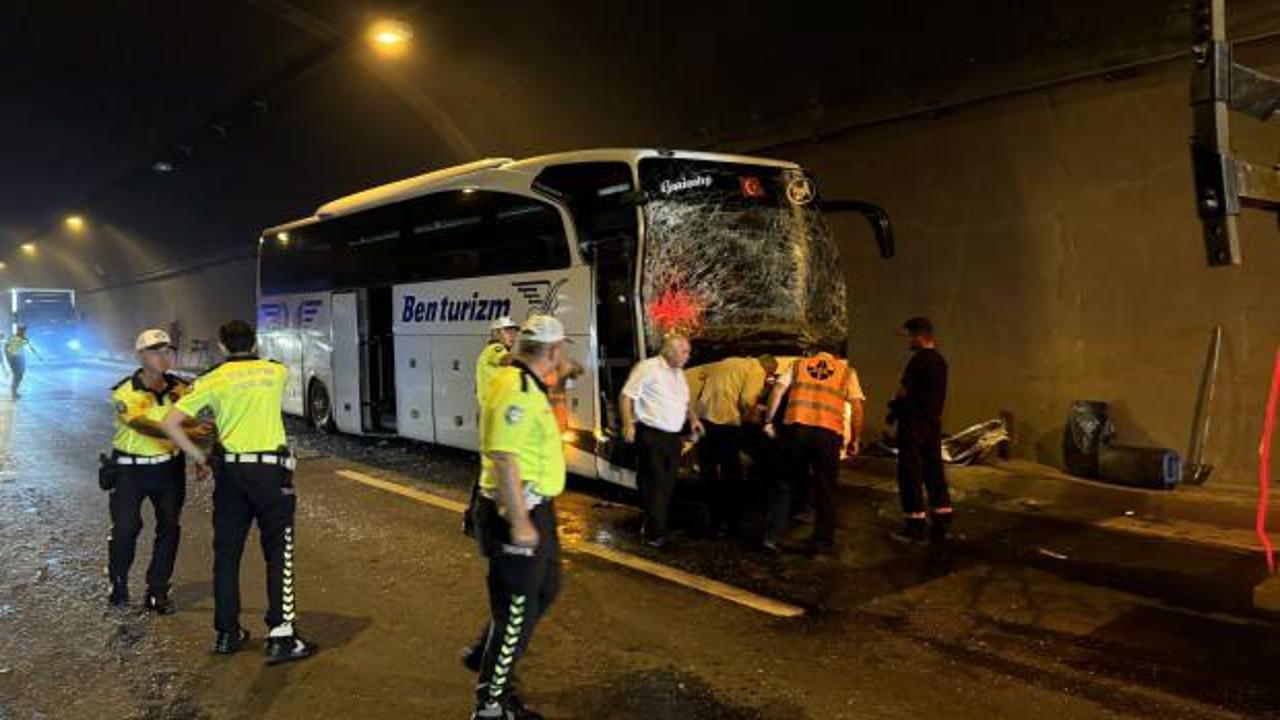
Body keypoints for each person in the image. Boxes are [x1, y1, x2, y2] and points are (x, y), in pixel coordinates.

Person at [160, 320, 313, 664]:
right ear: (255, 343)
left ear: (223, 345)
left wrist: (199, 455)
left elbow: (169, 423)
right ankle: (281, 635)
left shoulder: (211, 379)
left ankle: (227, 633)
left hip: (230, 474)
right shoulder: (275, 371)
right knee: (279, 550)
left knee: (227, 555)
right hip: (271, 472)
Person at [470, 315, 569, 720]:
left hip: (536, 507)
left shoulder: (528, 381)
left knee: (545, 588)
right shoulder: (515, 388)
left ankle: (487, 657)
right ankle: (490, 705)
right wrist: (520, 523)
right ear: (553, 351)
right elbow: (505, 457)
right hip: (516, 511)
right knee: (516, 610)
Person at [105, 329, 211, 612]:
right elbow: (142, 425)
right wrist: (186, 429)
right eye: (155, 352)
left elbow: (204, 423)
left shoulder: (181, 389)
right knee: (127, 529)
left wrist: (201, 455)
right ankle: (118, 579)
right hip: (130, 470)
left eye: (167, 351)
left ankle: (157, 589)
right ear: (140, 356)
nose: (163, 357)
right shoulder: (125, 391)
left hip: (169, 470)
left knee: (169, 528)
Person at [762, 348, 865, 554]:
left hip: (797, 430)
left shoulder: (799, 365)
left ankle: (773, 537)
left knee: (786, 482)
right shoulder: (846, 372)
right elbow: (857, 408)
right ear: (835, 356)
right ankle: (822, 541)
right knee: (826, 487)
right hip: (828, 435)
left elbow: (777, 391)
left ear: (815, 354)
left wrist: (769, 420)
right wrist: (856, 438)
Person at [621, 334, 701, 549]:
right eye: (684, 351)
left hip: (672, 438)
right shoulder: (648, 368)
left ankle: (650, 522)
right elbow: (627, 395)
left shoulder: (679, 374)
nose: (688, 356)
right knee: (654, 483)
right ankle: (656, 533)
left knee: (667, 484)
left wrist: (693, 419)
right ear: (670, 351)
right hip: (651, 435)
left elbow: (685, 402)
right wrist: (628, 423)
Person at [686, 355, 778, 537]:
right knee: (731, 473)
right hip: (726, 422)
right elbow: (746, 399)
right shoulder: (756, 369)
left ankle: (712, 521)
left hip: (704, 419)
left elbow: (704, 375)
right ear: (768, 369)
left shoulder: (727, 362)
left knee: (708, 472)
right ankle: (732, 522)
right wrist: (755, 415)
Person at [888, 317, 953, 544]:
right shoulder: (940, 362)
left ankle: (915, 525)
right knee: (933, 469)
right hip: (932, 424)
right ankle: (943, 515)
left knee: (910, 473)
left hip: (913, 423)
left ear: (919, 335)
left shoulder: (918, 361)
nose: (908, 341)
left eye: (909, 336)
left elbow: (903, 391)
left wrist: (894, 408)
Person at [476, 317, 520, 404]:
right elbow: (507, 359)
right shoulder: (495, 348)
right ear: (496, 333)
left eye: (514, 332)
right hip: (495, 404)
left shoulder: (493, 350)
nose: (512, 335)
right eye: (507, 331)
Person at [5, 325, 41, 398]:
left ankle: (15, 392)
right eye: (22, 330)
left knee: (20, 375)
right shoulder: (12, 338)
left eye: (24, 331)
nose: (23, 332)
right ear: (18, 330)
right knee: (17, 375)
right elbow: (6, 347)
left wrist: (37, 355)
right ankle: (14, 393)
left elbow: (30, 347)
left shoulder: (24, 338)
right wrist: (9, 357)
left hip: (20, 359)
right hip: (14, 359)